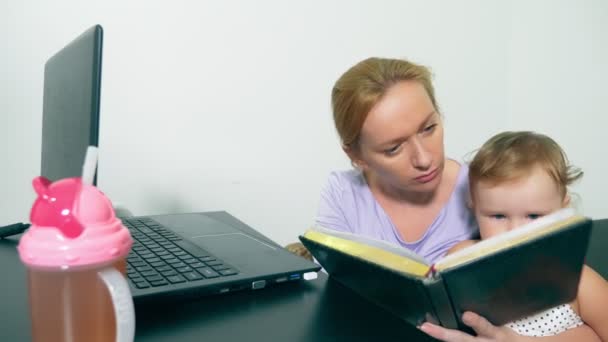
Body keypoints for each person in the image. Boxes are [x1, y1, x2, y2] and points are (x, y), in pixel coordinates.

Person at [420, 131, 607, 341]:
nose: (515, 231)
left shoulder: (577, 278)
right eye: (498, 216)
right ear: (475, 207)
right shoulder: (461, 261)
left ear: (563, 211)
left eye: (534, 216)